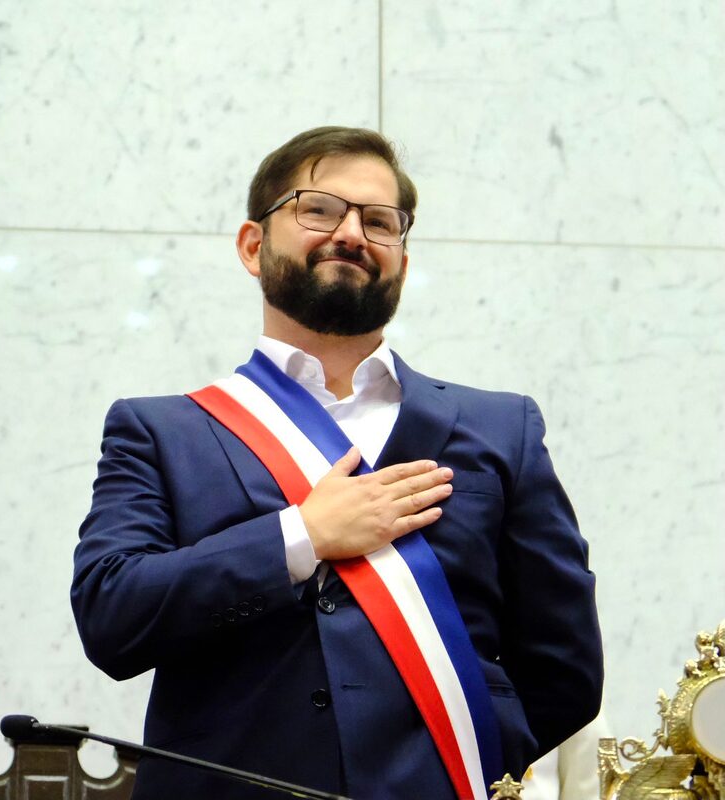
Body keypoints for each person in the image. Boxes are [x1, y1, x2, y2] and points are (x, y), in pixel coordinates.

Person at [71, 126, 603, 800]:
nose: (351, 233)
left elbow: (565, 665)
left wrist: (468, 763)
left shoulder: (503, 428)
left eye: (379, 221)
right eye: (318, 209)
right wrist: (302, 537)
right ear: (253, 246)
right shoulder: (161, 431)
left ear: (402, 261)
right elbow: (111, 616)